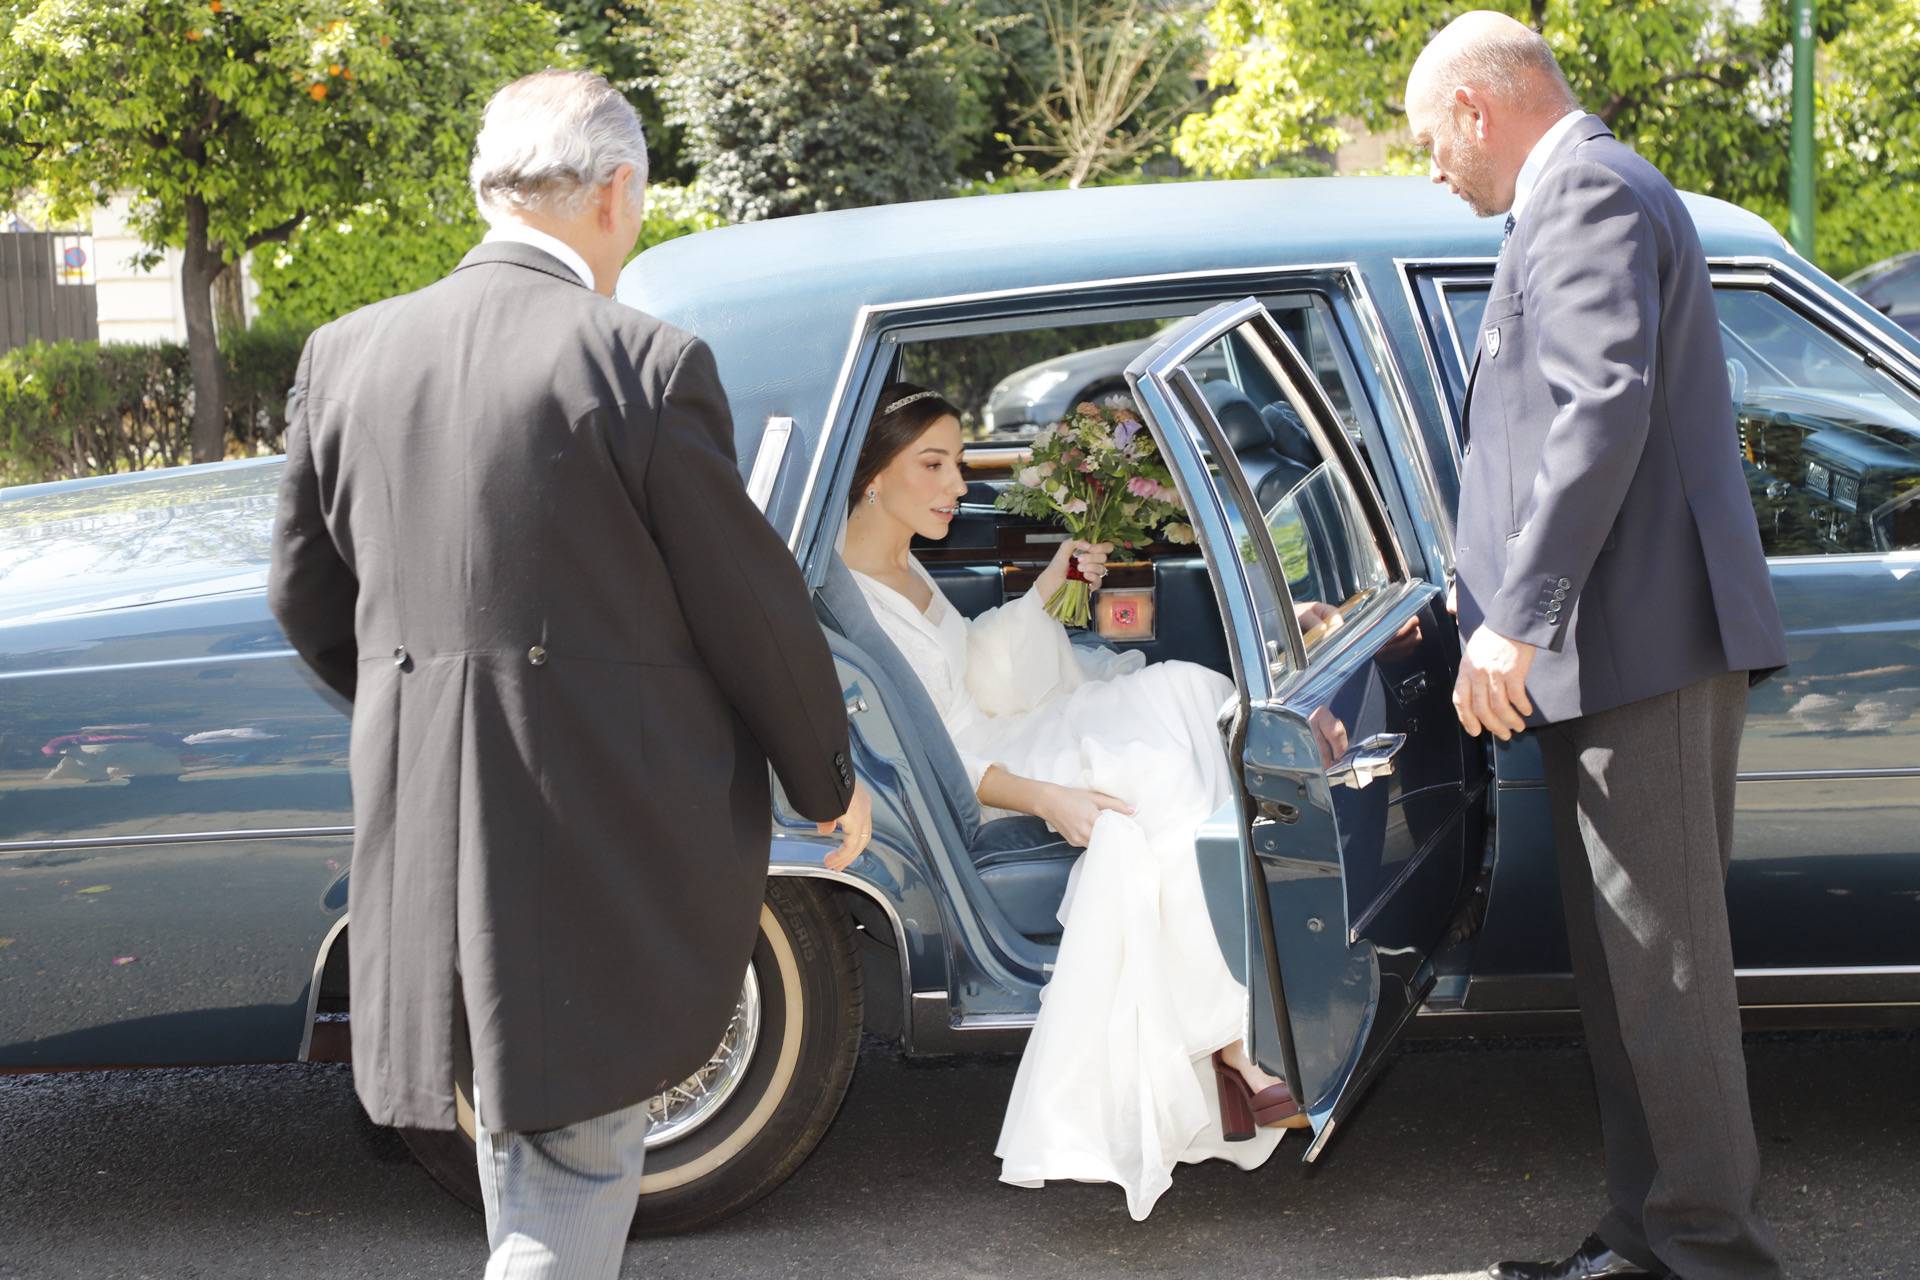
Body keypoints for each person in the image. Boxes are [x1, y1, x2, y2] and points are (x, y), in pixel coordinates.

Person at [267, 69, 871, 1280]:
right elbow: (749, 607)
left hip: (423, 819)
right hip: (584, 827)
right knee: (574, 1160)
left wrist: (427, 699)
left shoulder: (346, 353)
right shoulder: (642, 361)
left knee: (521, 1139)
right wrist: (826, 780)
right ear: (616, 191)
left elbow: (305, 595)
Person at [1404, 13, 1789, 1280]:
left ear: (1477, 108)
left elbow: (1600, 410)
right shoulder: (1579, 194)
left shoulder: (1588, 191)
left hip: (1642, 648)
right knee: (1629, 974)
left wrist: (1516, 616)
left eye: (1430, 141)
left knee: (1666, 975)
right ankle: (1648, 1238)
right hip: (1614, 651)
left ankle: (1710, 1254)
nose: (1433, 169)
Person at [835, 382, 1312, 1222]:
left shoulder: (902, 556)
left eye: (959, 462)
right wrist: (1046, 797)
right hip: (995, 768)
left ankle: (1238, 1025)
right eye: (934, 465)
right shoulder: (852, 599)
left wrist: (1050, 582)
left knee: (1187, 691)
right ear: (873, 476)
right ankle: (1234, 1042)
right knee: (1158, 767)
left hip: (1009, 726)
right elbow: (931, 751)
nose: (958, 486)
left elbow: (972, 664)